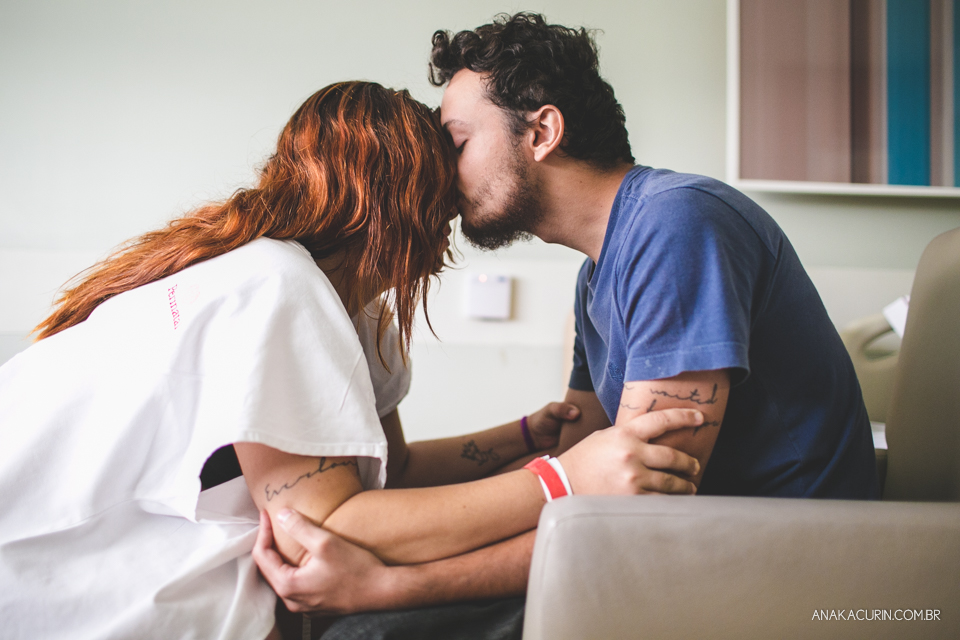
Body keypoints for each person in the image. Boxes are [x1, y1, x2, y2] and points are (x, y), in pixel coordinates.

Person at [0, 80, 704, 640]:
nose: (459, 198)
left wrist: (522, 438)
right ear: (404, 193)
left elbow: (383, 474)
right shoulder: (274, 283)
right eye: (449, 157)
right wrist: (564, 479)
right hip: (48, 574)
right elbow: (331, 520)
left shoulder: (357, 315)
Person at [253, 13, 880, 638]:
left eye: (459, 144)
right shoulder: (597, 276)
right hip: (688, 546)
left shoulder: (677, 226)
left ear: (542, 132)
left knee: (366, 631)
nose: (440, 178)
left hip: (776, 562)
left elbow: (639, 509)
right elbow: (573, 456)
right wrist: (398, 543)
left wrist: (393, 582)